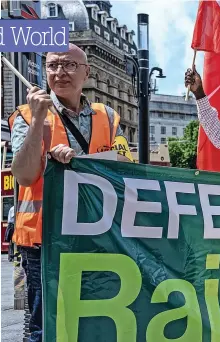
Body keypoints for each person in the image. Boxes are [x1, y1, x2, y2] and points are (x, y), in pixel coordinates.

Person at [8, 43, 129, 342]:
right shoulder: (25, 115)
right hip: (44, 240)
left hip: (98, 236)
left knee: (94, 320)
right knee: (44, 326)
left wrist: (88, 161)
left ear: (87, 72)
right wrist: (38, 120)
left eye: (69, 65)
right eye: (52, 66)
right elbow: (23, 175)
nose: (60, 72)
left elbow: (127, 165)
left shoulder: (108, 116)